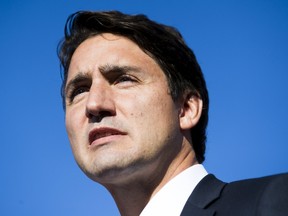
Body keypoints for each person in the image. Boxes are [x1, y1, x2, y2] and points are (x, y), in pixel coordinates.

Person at [57, 11, 288, 216]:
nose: (94, 104)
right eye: (79, 90)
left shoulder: (275, 202)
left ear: (186, 109)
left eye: (124, 79)